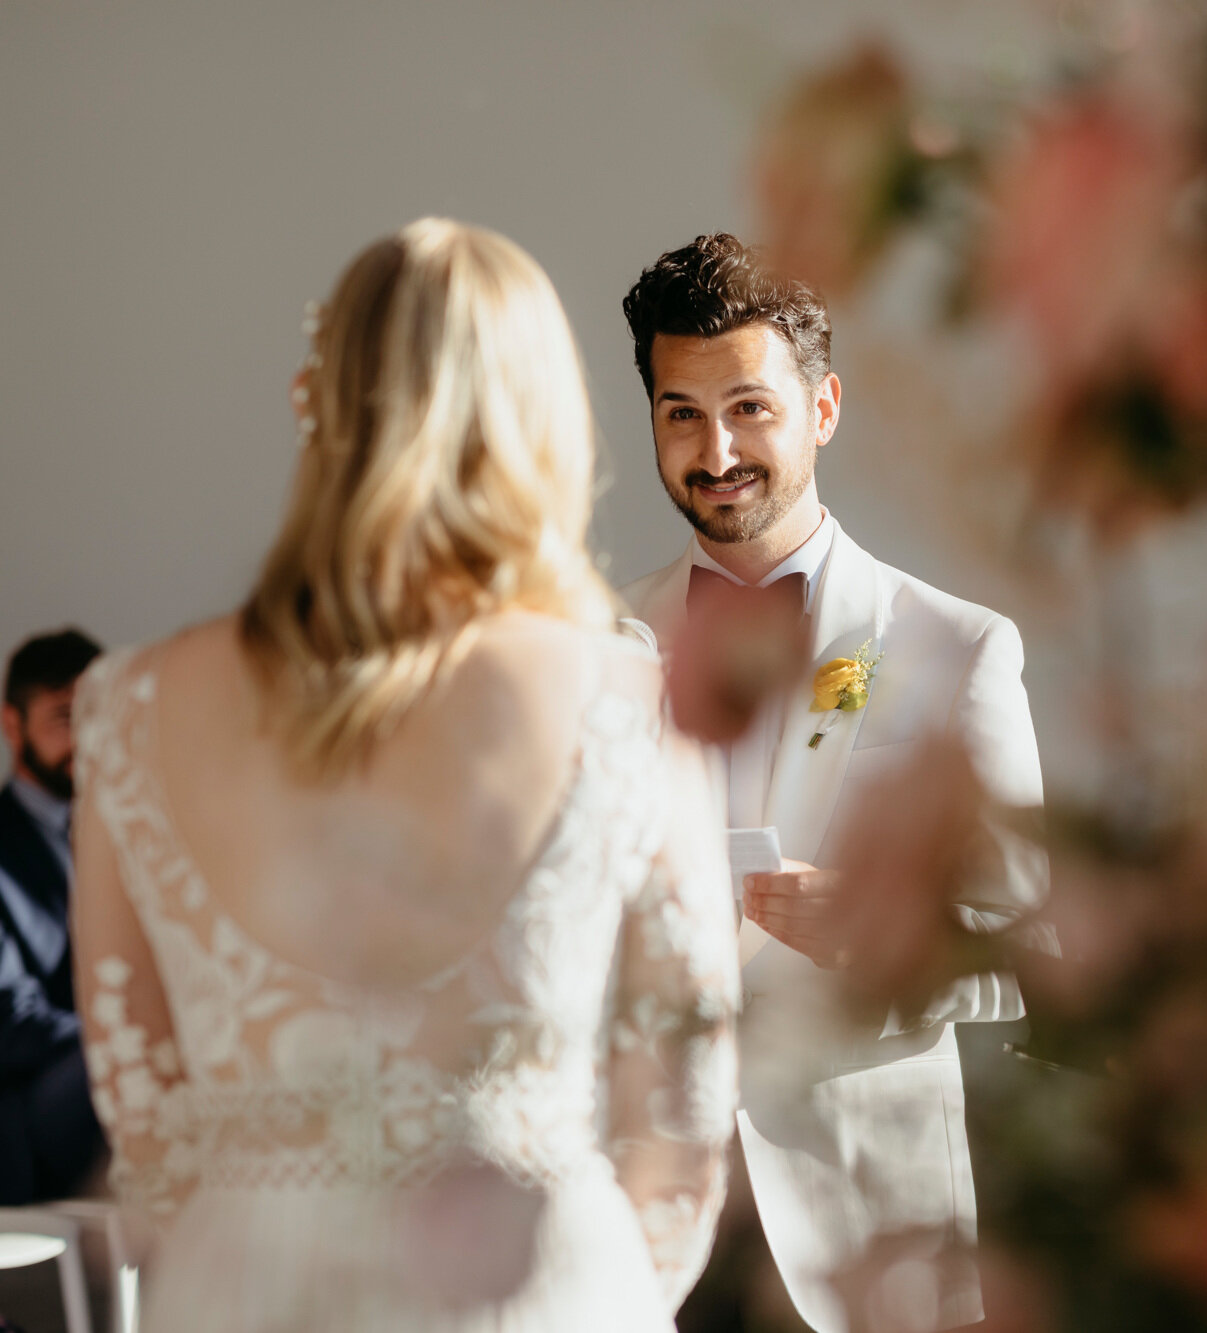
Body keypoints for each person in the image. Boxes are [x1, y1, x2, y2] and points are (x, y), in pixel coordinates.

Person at [68, 219, 739, 1332]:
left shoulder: (128, 706)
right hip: (536, 1288)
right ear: (545, 421)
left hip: (250, 1297)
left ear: (320, 405)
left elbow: (146, 1118)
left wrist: (259, 1246)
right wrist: (598, 1290)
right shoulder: (629, 698)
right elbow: (680, 1111)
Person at [621, 234, 1050, 1333]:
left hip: (864, 1232)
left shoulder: (957, 648)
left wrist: (877, 939)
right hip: (633, 1226)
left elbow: (1025, 941)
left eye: (749, 408)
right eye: (681, 413)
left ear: (822, 408)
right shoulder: (593, 645)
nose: (716, 449)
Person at [0, 628, 105, 1204]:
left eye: (97, 715)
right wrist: (123, 1036)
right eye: (65, 718)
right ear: (11, 724)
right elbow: (11, 1021)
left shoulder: (125, 829)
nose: (86, 737)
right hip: (29, 1107)